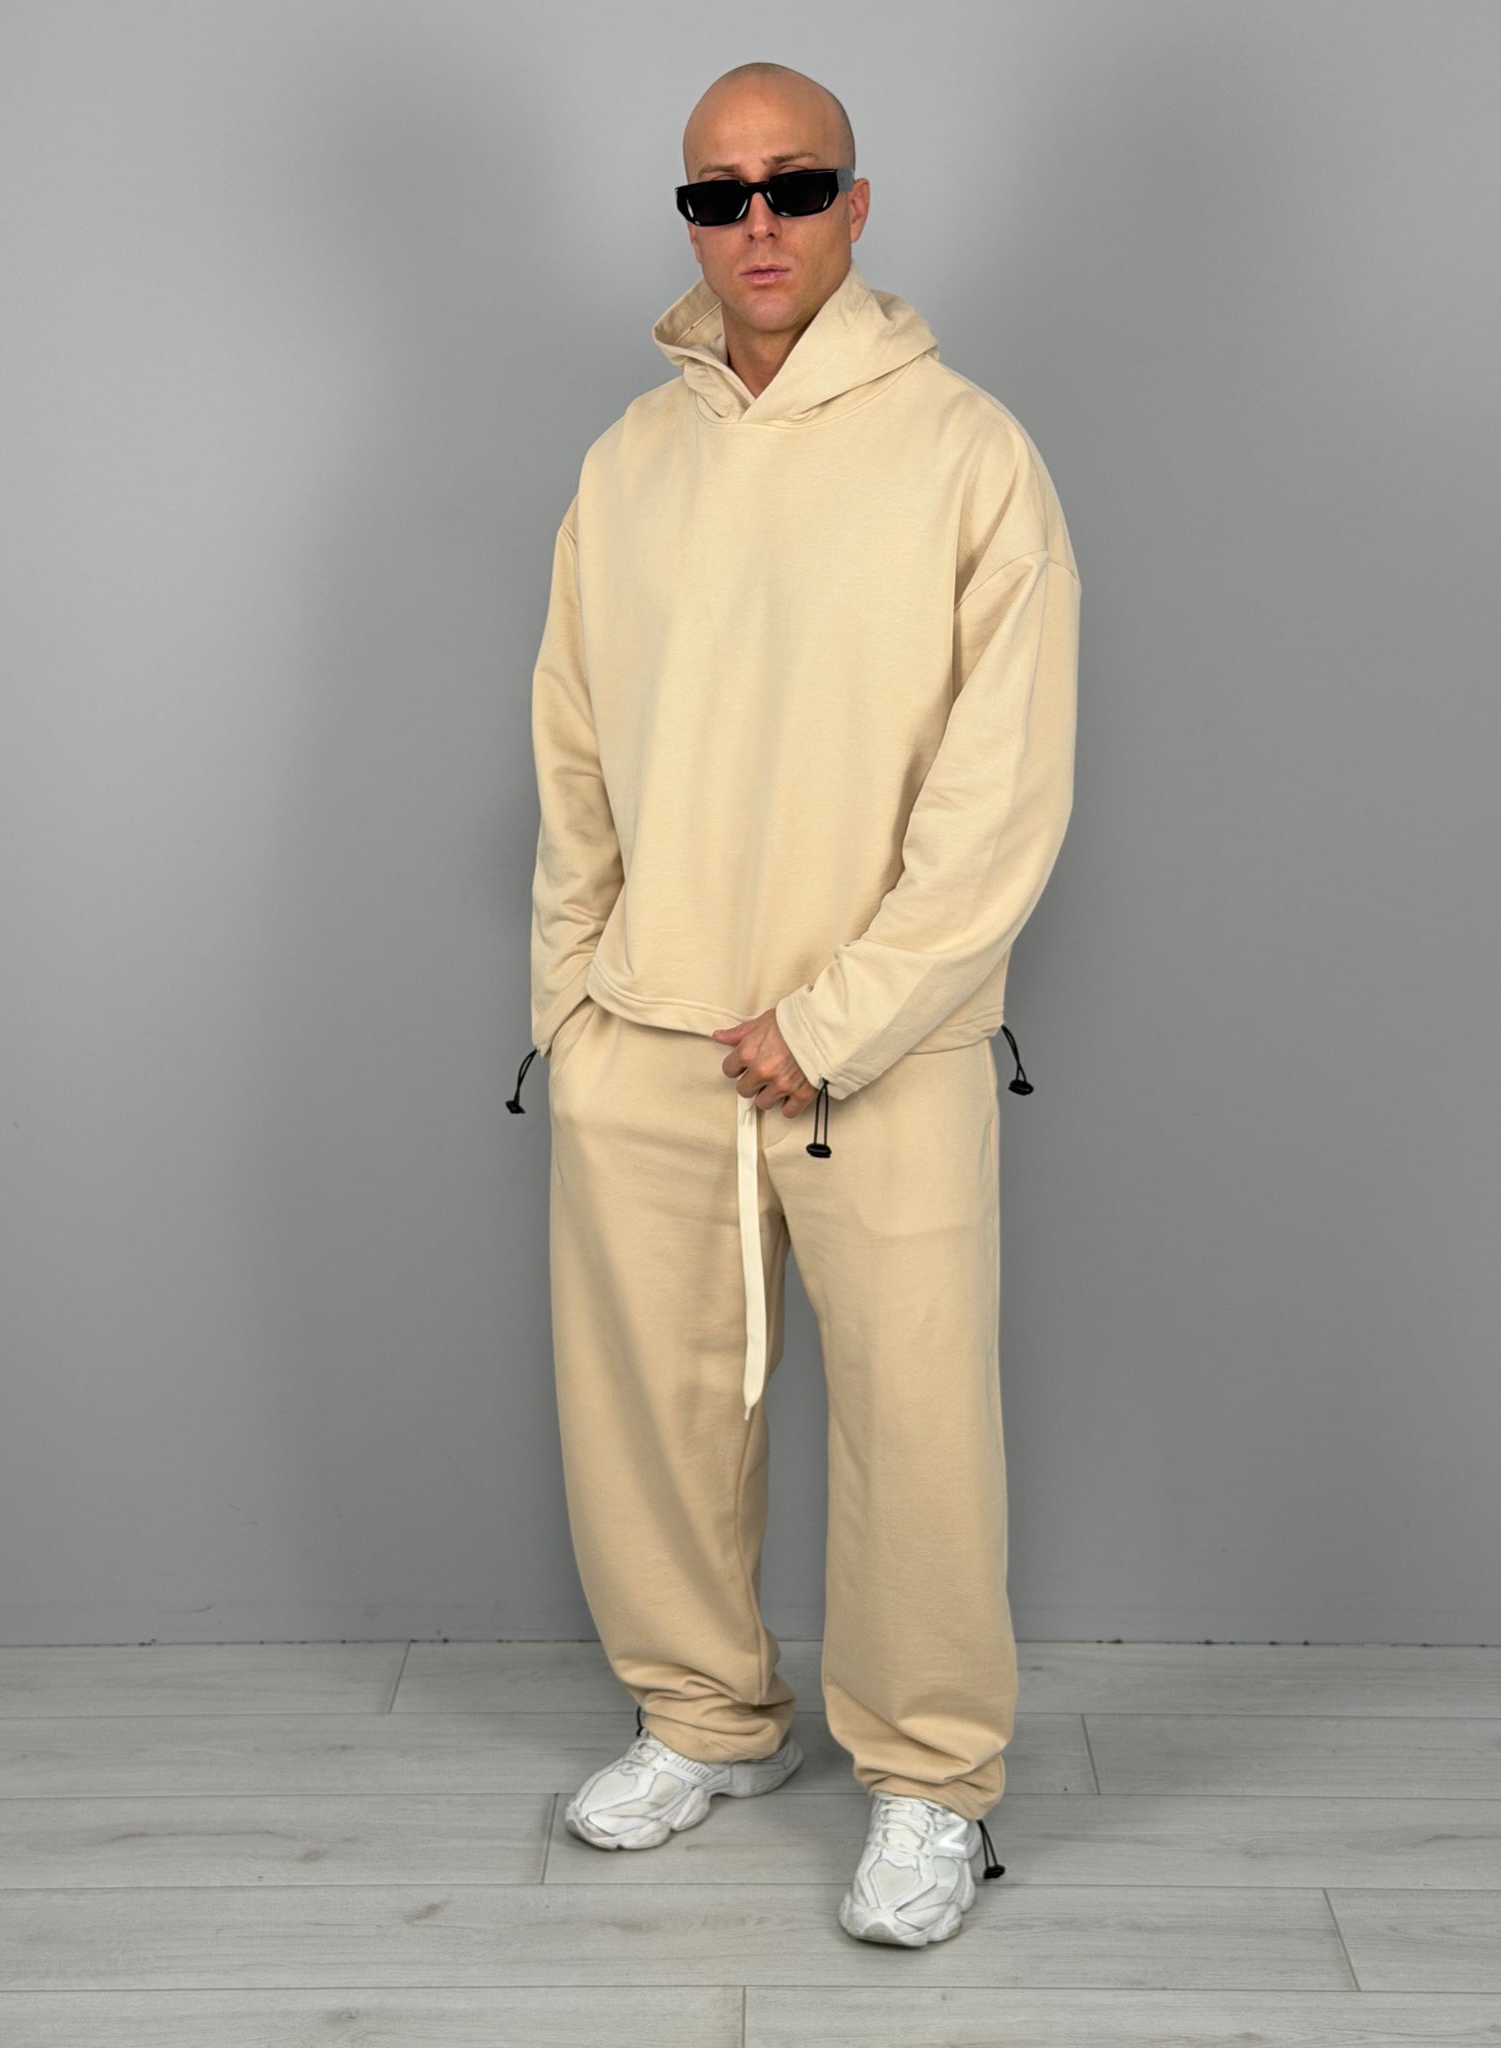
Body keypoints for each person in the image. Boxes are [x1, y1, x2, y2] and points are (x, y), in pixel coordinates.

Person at [506, 60, 1080, 1948]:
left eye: (794, 184)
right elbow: (571, 757)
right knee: (648, 1421)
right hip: (650, 1037)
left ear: (857, 203)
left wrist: (836, 1020)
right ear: (688, 217)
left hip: (882, 1051)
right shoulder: (627, 463)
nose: (755, 223)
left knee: (917, 1427)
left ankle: (930, 1780)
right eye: (717, 193)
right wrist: (576, 1005)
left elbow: (1002, 794)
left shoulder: (969, 454)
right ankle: (702, 1715)